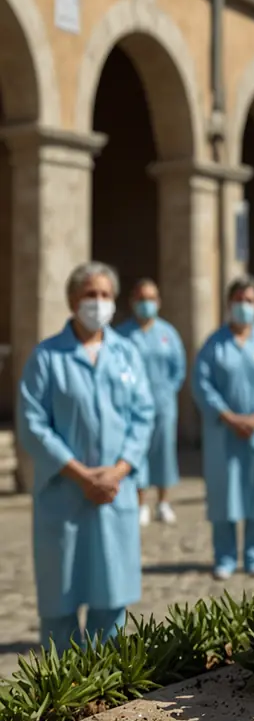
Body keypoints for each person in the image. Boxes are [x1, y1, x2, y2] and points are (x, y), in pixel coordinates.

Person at [17, 262, 154, 649]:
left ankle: (105, 692)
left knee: (110, 602)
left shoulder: (127, 355)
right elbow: (33, 423)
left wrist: (119, 470)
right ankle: (64, 698)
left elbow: (143, 417)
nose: (98, 303)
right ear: (72, 301)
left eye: (106, 295)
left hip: (115, 494)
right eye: (90, 295)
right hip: (64, 495)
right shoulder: (46, 357)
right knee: (60, 603)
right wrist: (82, 475)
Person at [193, 275, 254, 580]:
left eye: (249, 301)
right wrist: (227, 416)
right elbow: (202, 384)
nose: (243, 306)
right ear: (228, 304)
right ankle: (223, 556)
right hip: (224, 432)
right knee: (225, 494)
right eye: (238, 300)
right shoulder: (214, 344)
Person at [115, 279, 186, 526]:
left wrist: (167, 392)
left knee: (164, 451)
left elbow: (179, 367)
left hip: (163, 403)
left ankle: (164, 501)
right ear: (133, 301)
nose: (146, 304)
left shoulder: (168, 334)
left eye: (151, 298)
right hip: (132, 406)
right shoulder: (122, 334)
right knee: (137, 452)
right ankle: (140, 502)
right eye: (141, 298)